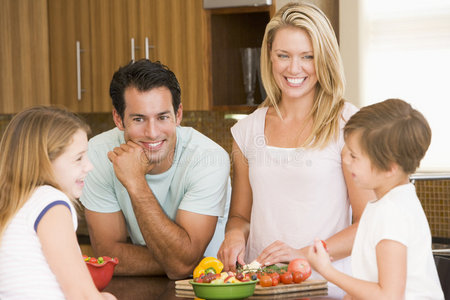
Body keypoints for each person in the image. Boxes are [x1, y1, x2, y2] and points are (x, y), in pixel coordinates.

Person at [218, 2, 374, 275]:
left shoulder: (348, 124)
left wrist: (301, 255)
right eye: (283, 55)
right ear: (270, 56)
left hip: (327, 287)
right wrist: (233, 235)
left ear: (323, 58)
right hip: (263, 285)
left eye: (307, 57)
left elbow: (367, 223)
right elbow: (241, 216)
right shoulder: (247, 131)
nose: (294, 68)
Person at [80, 59, 230, 279]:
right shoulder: (97, 154)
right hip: (142, 287)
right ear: (118, 119)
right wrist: (180, 260)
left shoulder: (208, 158)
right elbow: (108, 254)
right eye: (139, 119)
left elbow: (182, 267)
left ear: (178, 115)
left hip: (207, 287)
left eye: (162, 117)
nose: (152, 132)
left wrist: (135, 182)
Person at [307, 98, 444, 299]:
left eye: (354, 156)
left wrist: (328, 271)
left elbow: (389, 296)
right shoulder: (386, 203)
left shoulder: (392, 213)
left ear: (389, 167)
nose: (345, 160)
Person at [0, 106, 116, 299]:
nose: (89, 166)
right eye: (78, 158)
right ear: (44, 161)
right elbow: (82, 296)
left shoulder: (13, 205)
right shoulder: (50, 202)